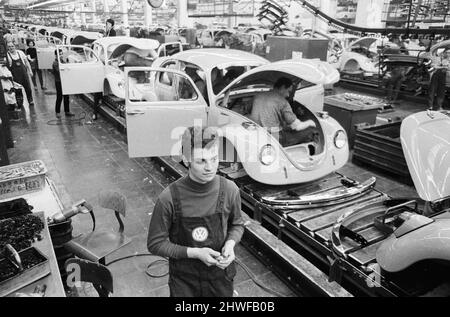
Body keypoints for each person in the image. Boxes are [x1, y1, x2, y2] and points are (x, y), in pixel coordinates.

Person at [147, 126, 245, 297]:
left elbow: (237, 225)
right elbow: (155, 244)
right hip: (185, 281)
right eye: (201, 161)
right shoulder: (169, 198)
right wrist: (195, 253)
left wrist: (230, 244)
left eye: (214, 159)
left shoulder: (230, 190)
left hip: (219, 277)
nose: (210, 167)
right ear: (186, 160)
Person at [250, 77, 318, 147]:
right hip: (275, 138)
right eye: (288, 91)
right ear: (282, 87)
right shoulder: (282, 102)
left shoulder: (258, 96)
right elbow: (298, 127)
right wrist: (310, 122)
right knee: (312, 131)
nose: (288, 95)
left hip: (256, 133)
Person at [6, 41, 34, 107]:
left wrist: (30, 71)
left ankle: (30, 100)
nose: (11, 48)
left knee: (28, 88)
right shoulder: (7, 55)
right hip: (15, 76)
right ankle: (20, 103)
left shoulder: (20, 53)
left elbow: (26, 62)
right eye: (9, 46)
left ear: (14, 46)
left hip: (24, 74)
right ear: (7, 48)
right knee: (18, 91)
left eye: (12, 46)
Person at [52, 50, 74, 118]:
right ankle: (57, 112)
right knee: (59, 97)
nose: (61, 55)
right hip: (59, 82)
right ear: (56, 55)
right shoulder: (55, 63)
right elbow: (60, 72)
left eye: (61, 54)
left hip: (64, 81)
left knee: (66, 97)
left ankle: (67, 111)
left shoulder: (62, 61)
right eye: (59, 54)